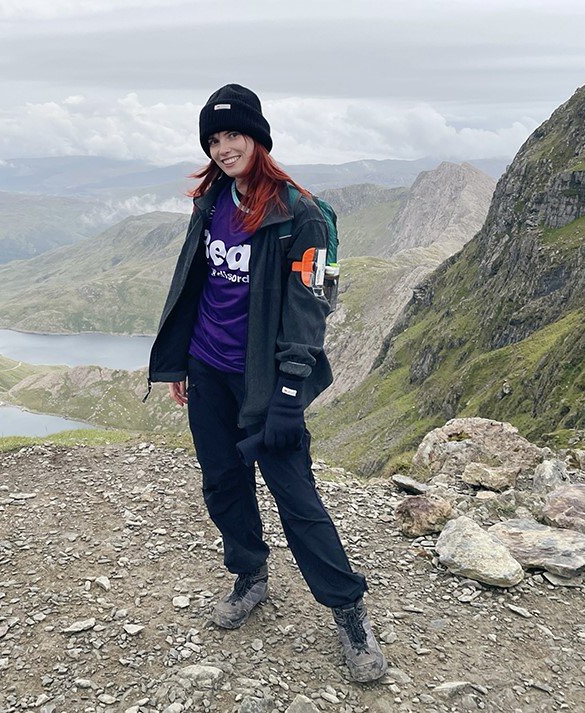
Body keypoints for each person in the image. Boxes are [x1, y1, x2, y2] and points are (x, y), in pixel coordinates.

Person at [147, 84, 387, 683]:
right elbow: (197, 284)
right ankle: (250, 573)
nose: (225, 147)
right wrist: (180, 363)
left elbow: (312, 307)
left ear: (259, 139)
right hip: (208, 371)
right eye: (215, 138)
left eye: (235, 135)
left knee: (296, 497)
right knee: (224, 485)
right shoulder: (212, 201)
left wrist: (288, 392)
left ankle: (349, 611)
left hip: (264, 383)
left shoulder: (301, 215)